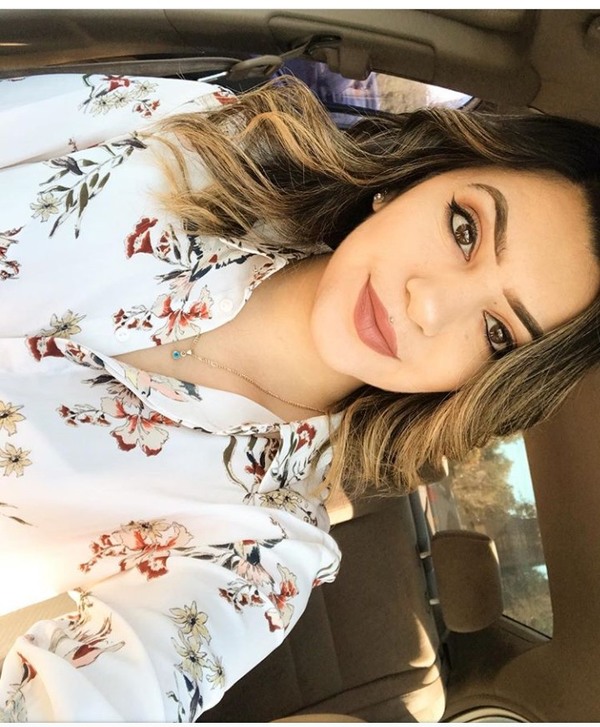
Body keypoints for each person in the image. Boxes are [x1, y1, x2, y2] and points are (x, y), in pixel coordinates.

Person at [0, 72, 599, 721]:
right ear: (414, 179)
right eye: (464, 229)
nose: (428, 304)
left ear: (480, 387)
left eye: (496, 332)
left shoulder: (263, 549)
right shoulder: (208, 138)